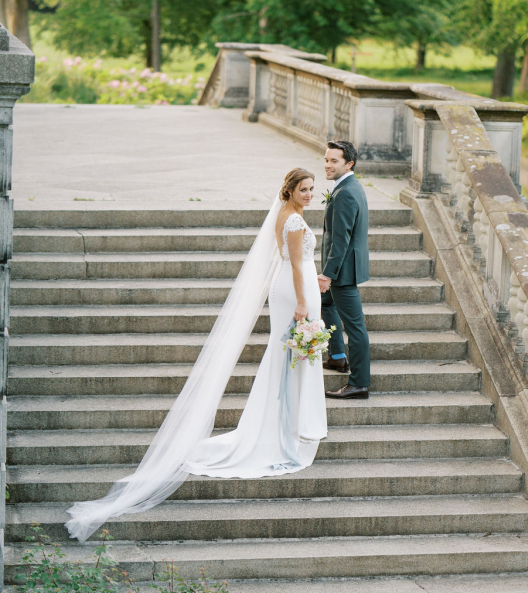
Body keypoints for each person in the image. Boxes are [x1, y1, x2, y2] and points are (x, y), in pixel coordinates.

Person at [65, 168, 327, 543]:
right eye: (304, 189)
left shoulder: (284, 215)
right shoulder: (297, 220)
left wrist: (309, 278)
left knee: (285, 355)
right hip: (295, 294)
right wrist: (304, 299)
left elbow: (290, 260)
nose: (310, 195)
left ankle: (284, 424)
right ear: (290, 190)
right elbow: (295, 262)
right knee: (293, 356)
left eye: (312, 190)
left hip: (288, 285)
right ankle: (286, 430)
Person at [318, 140, 370, 400]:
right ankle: (337, 357)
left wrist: (327, 274)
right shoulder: (347, 186)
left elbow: (342, 239)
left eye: (334, 160)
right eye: (326, 159)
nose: (327, 164)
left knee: (356, 328)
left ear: (349, 163)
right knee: (325, 305)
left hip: (342, 272)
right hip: (339, 267)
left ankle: (359, 383)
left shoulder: (346, 192)